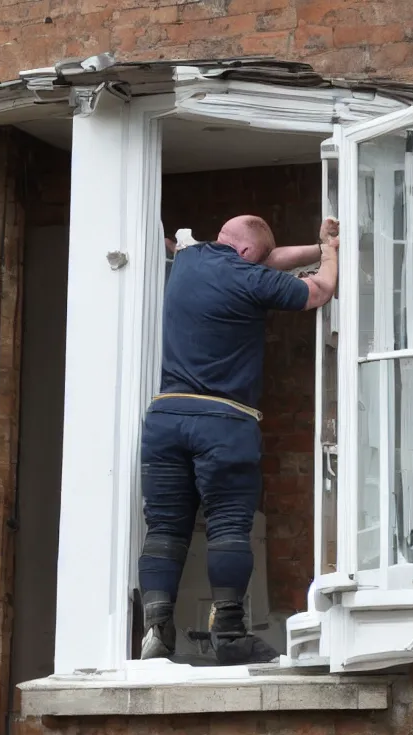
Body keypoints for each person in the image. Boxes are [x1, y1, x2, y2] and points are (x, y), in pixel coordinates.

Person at [138, 215, 339, 665]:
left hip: (166, 416)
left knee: (165, 528)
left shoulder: (190, 257)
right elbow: (319, 291)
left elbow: (271, 259)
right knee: (229, 527)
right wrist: (330, 256)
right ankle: (228, 631)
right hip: (224, 421)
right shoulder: (249, 280)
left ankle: (156, 628)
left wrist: (314, 242)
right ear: (250, 257)